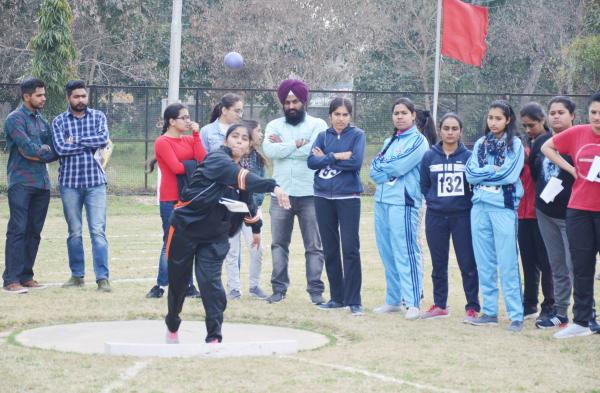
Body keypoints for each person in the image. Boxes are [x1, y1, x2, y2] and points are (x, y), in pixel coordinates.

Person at [164, 124, 290, 344]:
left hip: (214, 235)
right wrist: (273, 186)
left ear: (250, 146)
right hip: (185, 229)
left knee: (210, 283)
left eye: (244, 138)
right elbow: (242, 178)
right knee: (179, 283)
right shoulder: (216, 160)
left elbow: (247, 202)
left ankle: (214, 336)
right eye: (234, 136)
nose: (239, 141)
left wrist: (256, 229)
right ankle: (172, 322)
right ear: (226, 141)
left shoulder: (241, 174)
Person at [262, 79, 327, 305]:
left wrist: (287, 149)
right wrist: (296, 145)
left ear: (304, 101)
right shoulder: (274, 125)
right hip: (281, 194)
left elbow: (317, 151)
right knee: (279, 244)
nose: (291, 106)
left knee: (314, 246)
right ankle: (278, 290)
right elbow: (270, 150)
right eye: (287, 102)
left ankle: (316, 291)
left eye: (295, 101)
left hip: (311, 193)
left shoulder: (318, 125)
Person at [541, 91, 600, 339]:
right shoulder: (578, 133)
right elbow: (547, 146)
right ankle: (583, 321)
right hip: (580, 211)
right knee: (582, 267)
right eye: (594, 112)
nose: (597, 118)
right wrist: (572, 169)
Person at [465, 100, 525, 332]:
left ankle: (516, 315)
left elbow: (510, 175)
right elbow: (470, 174)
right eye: (490, 118)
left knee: (507, 261)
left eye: (498, 118)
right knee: (484, 262)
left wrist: (486, 175)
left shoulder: (515, 144)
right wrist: (492, 170)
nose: (493, 122)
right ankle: (489, 311)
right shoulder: (480, 143)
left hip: (503, 207)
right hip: (479, 207)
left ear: (508, 120)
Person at [369, 97, 429, 320]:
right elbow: (373, 170)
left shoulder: (418, 141)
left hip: (403, 202)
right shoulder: (389, 141)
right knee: (387, 251)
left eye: (404, 112)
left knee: (406, 250)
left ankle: (413, 301)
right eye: (396, 113)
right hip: (382, 201)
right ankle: (393, 300)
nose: (400, 116)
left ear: (413, 115)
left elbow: (400, 166)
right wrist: (387, 170)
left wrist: (387, 169)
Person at [419, 113, 480, 322]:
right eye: (446, 128)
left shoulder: (469, 156)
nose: (450, 132)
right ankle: (439, 304)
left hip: (462, 216)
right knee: (438, 263)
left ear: (461, 131)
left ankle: (472, 306)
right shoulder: (429, 156)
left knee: (467, 263)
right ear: (440, 130)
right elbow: (424, 185)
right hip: (436, 217)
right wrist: (434, 200)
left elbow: (474, 185)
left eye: (455, 128)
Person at [308, 97, 366, 316]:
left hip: (348, 197)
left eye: (345, 114)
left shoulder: (357, 135)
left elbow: (355, 163)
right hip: (323, 196)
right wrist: (336, 156)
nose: (341, 119)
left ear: (350, 116)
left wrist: (326, 158)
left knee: (350, 248)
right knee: (330, 248)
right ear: (330, 115)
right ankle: (337, 297)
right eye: (337, 114)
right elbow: (311, 162)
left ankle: (354, 300)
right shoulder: (323, 135)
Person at [52, 80, 112, 292]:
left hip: (95, 183)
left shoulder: (98, 117)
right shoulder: (59, 121)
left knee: (97, 231)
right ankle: (77, 275)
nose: (81, 100)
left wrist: (74, 140)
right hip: (69, 184)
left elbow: (103, 139)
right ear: (69, 98)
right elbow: (60, 148)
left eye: (83, 96)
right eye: (76, 96)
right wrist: (88, 142)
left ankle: (103, 278)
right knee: (74, 232)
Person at [145, 103, 207, 299]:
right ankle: (161, 285)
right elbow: (176, 168)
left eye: (189, 117)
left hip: (188, 198)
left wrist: (197, 136)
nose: (188, 121)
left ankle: (188, 286)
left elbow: (203, 160)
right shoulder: (162, 142)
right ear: (172, 121)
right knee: (170, 243)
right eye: (184, 117)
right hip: (171, 199)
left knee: (188, 243)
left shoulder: (189, 139)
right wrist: (194, 165)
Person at [2, 78, 58, 294]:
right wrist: (42, 152)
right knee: (18, 230)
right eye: (39, 95)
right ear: (26, 96)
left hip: (42, 184)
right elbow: (27, 148)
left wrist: (43, 152)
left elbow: (54, 150)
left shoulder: (42, 121)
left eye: (44, 95)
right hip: (21, 183)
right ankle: (11, 280)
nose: (43, 98)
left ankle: (26, 276)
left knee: (34, 232)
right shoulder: (14, 119)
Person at [532, 96, 576, 329]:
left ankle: (585, 314)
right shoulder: (541, 141)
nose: (556, 116)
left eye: (561, 112)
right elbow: (535, 172)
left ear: (573, 116)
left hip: (573, 214)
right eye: (552, 112)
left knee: (576, 266)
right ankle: (560, 313)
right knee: (557, 265)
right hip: (545, 213)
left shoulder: (579, 140)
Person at [223, 119, 270, 300]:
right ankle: (234, 288)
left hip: (252, 209)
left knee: (257, 249)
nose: (261, 134)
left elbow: (260, 183)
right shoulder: (229, 158)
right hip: (231, 211)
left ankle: (254, 286)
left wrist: (255, 203)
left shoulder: (257, 157)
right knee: (232, 251)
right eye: (258, 131)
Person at [517, 102, 554, 320]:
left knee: (546, 262)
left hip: (542, 212)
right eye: (525, 126)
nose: (528, 129)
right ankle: (529, 303)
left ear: (543, 121)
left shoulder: (549, 146)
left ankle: (549, 305)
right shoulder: (526, 145)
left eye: (532, 125)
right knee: (528, 261)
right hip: (523, 213)